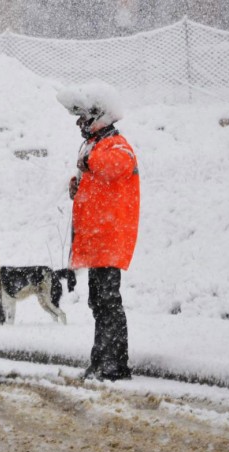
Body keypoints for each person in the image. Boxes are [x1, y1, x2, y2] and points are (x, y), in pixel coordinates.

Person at [56, 82, 140, 381]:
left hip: (109, 238)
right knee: (100, 302)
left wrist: (88, 162)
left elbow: (116, 165)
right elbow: (100, 180)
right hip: (98, 240)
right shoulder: (96, 146)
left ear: (98, 117)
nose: (79, 124)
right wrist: (78, 187)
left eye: (83, 118)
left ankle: (114, 365)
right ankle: (102, 362)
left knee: (107, 302)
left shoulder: (116, 145)